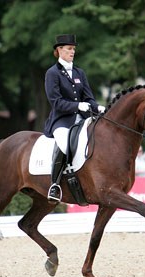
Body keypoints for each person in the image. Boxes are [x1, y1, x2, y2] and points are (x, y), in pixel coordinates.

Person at [44, 34, 105, 202]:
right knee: (64, 144)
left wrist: (97, 107)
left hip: (83, 119)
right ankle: (54, 185)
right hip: (62, 121)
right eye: (69, 49)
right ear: (59, 50)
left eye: (74, 49)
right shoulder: (52, 73)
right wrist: (77, 106)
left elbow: (88, 97)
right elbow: (56, 102)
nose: (73, 52)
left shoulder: (79, 72)